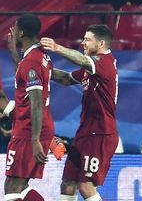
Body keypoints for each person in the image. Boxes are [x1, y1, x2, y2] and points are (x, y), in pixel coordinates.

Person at [41, 25, 119, 201]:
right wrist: (44, 68)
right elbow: (67, 79)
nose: (83, 43)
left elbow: (82, 60)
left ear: (100, 43)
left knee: (85, 186)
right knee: (68, 184)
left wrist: (57, 47)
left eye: (87, 39)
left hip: (100, 132)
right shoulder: (91, 67)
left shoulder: (104, 63)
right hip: (85, 132)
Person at [4, 14, 54, 201]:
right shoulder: (40, 56)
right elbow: (26, 76)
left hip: (28, 131)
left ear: (22, 32)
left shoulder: (31, 61)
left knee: (12, 187)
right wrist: (14, 55)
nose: (13, 31)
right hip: (34, 128)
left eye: (15, 28)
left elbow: (37, 101)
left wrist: (34, 139)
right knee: (20, 185)